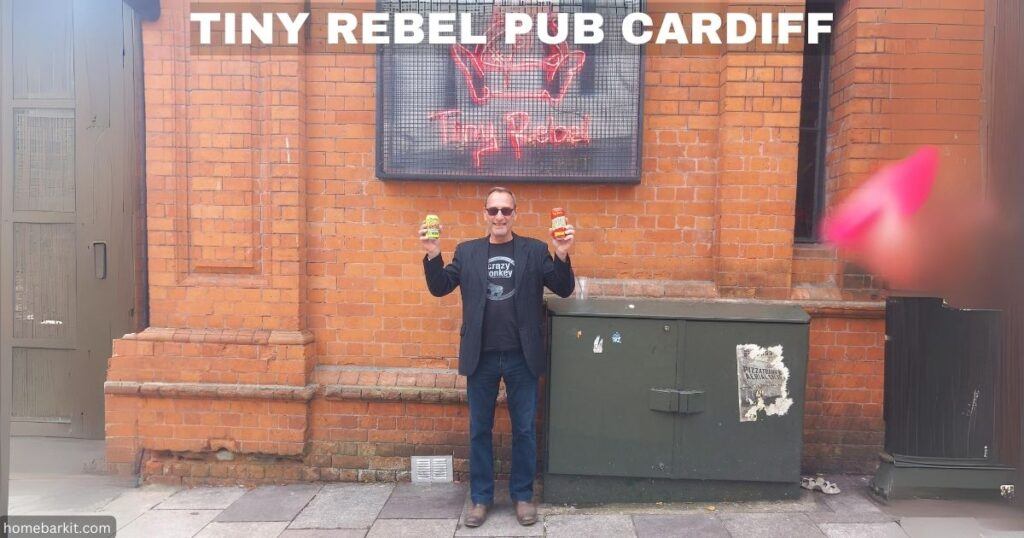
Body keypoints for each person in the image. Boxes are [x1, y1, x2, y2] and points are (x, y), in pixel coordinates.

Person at [420, 187, 575, 527]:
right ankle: (480, 498)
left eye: (506, 210)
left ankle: (522, 496)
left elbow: (563, 288)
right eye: (494, 211)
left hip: (522, 356)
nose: (500, 217)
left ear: (515, 213)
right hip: (482, 356)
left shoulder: (535, 251)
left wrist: (562, 253)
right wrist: (433, 253)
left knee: (523, 430)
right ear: (485, 214)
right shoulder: (468, 252)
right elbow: (440, 287)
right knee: (479, 430)